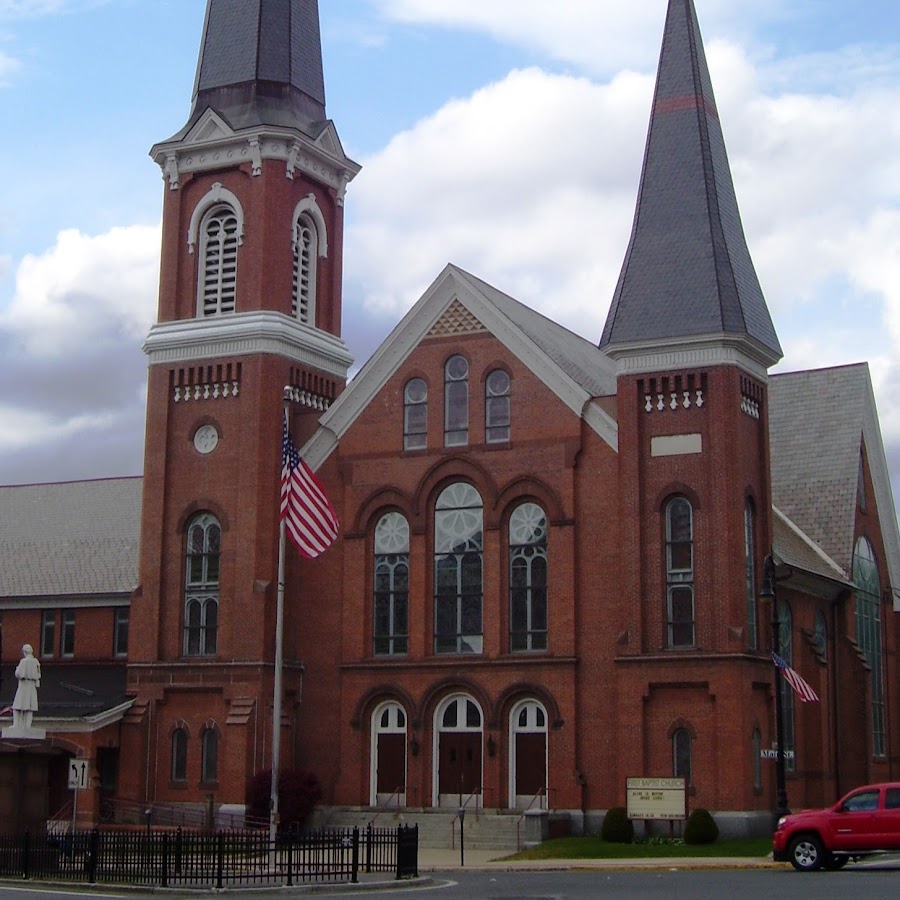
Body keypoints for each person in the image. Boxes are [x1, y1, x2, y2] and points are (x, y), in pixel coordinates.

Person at [12, 644, 40, 730]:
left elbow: (19, 674)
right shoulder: (36, 662)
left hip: (23, 686)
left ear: (25, 652)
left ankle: (16, 724)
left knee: (17, 706)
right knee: (29, 707)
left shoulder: (24, 661)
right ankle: (27, 725)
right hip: (31, 687)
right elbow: (38, 674)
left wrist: (17, 669)